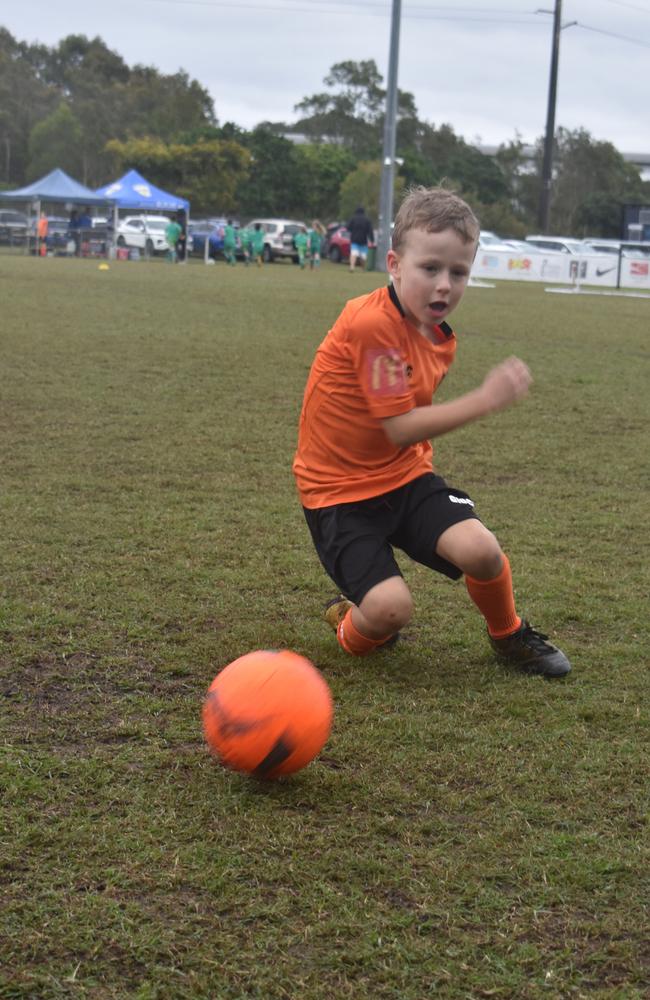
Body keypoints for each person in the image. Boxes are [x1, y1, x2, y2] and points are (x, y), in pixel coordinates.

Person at [292, 186, 571, 678]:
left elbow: (403, 437)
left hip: (405, 478)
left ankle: (509, 636)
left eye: (458, 272)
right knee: (389, 612)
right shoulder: (372, 324)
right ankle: (350, 621)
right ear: (394, 263)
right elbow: (399, 426)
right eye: (430, 269)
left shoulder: (438, 333)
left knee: (483, 551)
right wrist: (484, 401)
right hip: (339, 494)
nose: (445, 285)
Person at [347, 205, 374, 272]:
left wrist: (353, 230)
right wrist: (372, 240)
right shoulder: (367, 220)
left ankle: (352, 267)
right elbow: (370, 231)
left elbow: (348, 228)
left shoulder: (353, 218)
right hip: (363, 240)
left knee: (353, 254)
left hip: (354, 240)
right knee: (363, 256)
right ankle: (362, 268)